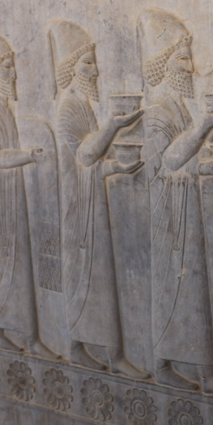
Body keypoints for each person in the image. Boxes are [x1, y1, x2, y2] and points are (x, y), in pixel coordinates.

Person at [141, 8, 213, 399]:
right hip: (168, 215)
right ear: (164, 65)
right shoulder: (159, 108)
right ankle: (171, 367)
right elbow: (167, 161)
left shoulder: (177, 105)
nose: (190, 67)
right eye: (182, 59)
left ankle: (191, 369)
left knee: (191, 287)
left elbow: (183, 161)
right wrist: (206, 125)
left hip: (183, 206)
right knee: (177, 287)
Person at [50, 19, 147, 377]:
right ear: (69, 70)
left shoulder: (81, 104)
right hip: (78, 207)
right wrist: (114, 125)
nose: (95, 70)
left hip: (90, 200)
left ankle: (95, 349)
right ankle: (98, 351)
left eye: (93, 62)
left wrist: (119, 169)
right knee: (86, 275)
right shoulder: (67, 108)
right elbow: (85, 156)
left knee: (93, 274)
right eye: (87, 64)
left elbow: (92, 164)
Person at [0, 28, 58, 359]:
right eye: (7, 69)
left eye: (12, 67)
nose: (13, 74)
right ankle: (4, 331)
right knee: (7, 266)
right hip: (1, 201)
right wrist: (28, 156)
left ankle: (26, 333)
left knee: (18, 264)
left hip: (13, 197)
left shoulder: (4, 109)